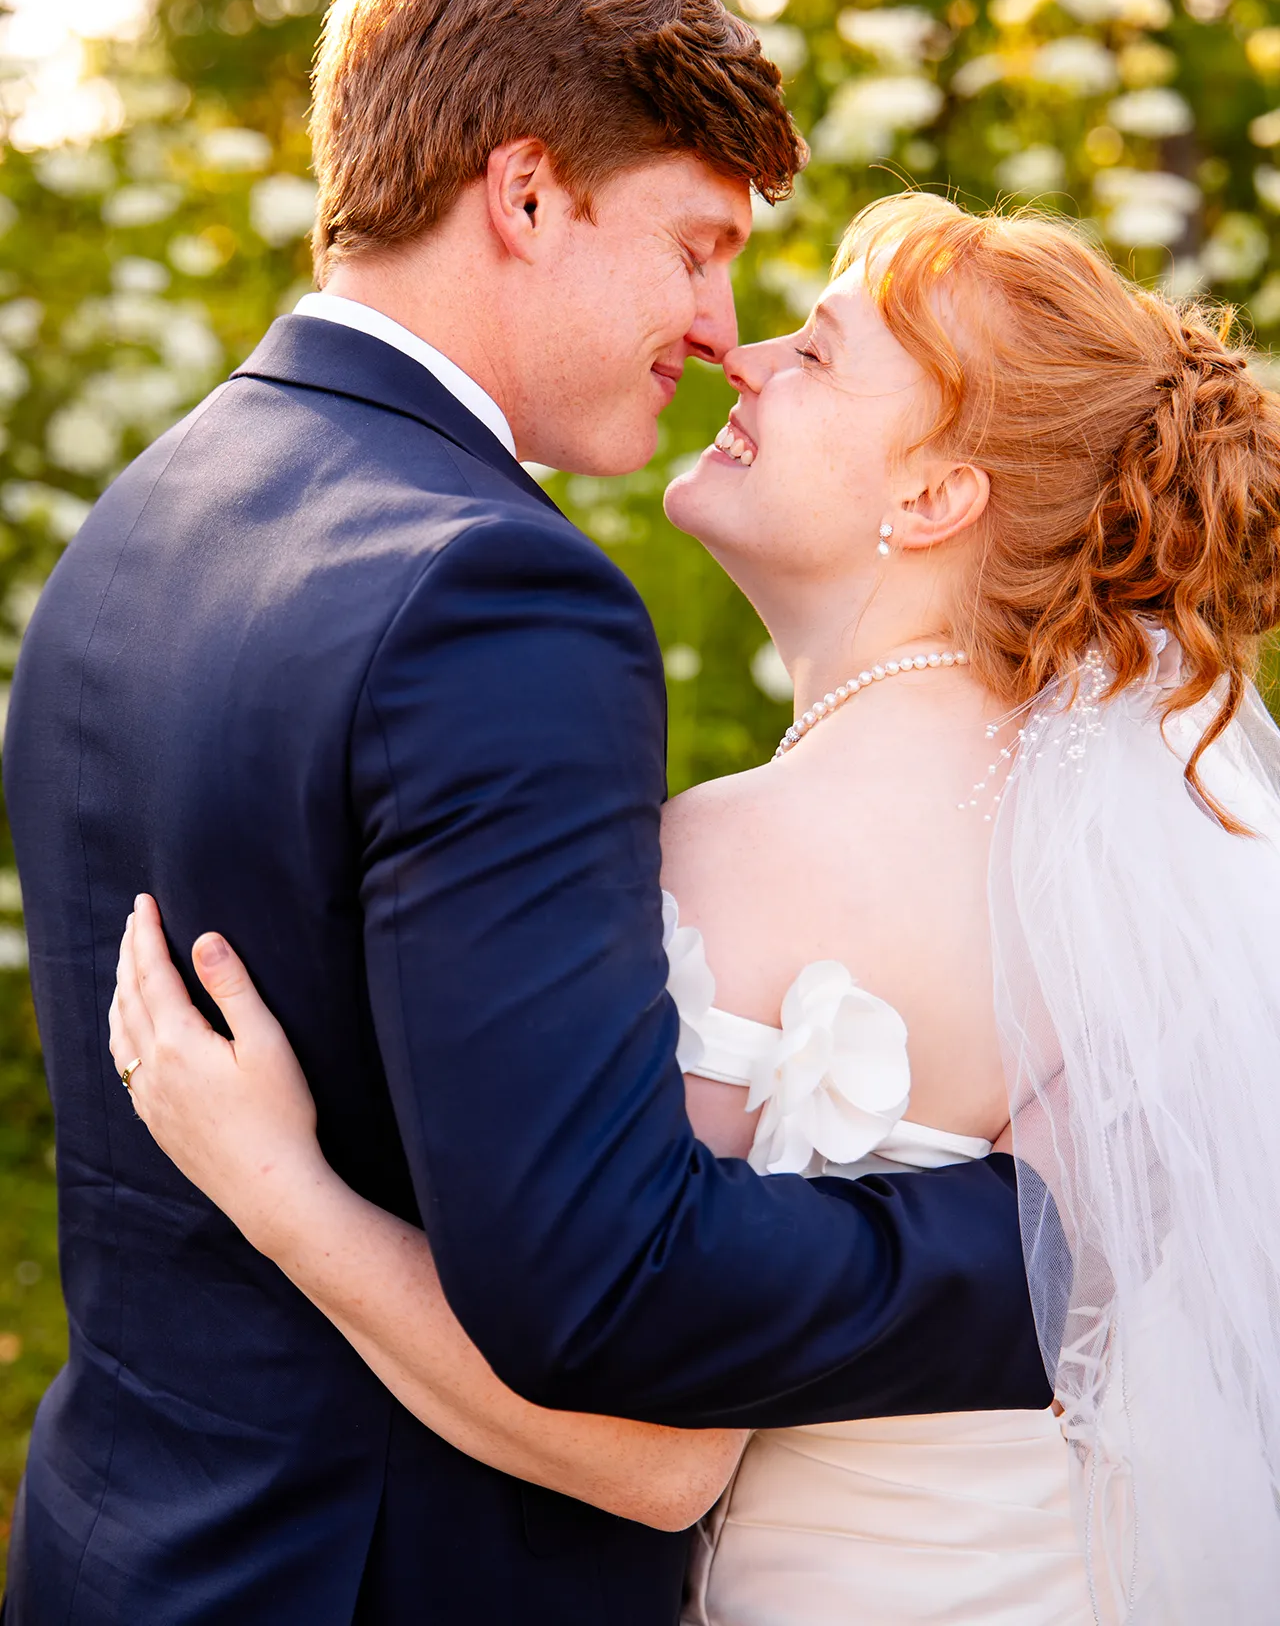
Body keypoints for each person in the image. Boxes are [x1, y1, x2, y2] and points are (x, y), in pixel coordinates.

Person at [0, 0, 1047, 1626]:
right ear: (530, 192)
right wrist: (1069, 1252)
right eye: (698, 245)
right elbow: (603, 1281)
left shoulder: (143, 518)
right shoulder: (495, 596)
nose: (722, 325)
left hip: (124, 1546)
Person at [110, 190, 1280, 1625]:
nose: (751, 354)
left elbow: (655, 1459)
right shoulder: (1129, 842)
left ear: (932, 497)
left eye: (822, 350)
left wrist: (278, 1192)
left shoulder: (742, 855)